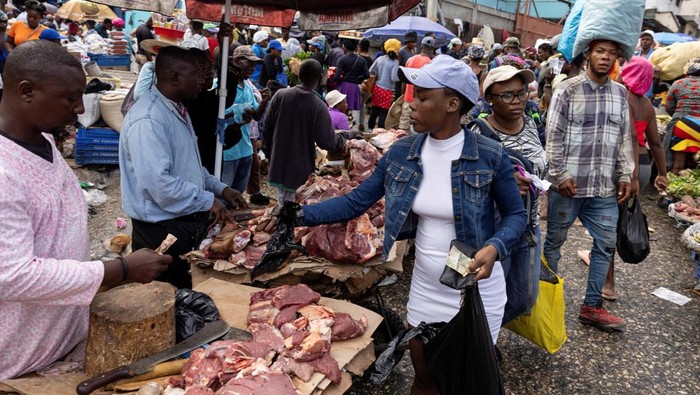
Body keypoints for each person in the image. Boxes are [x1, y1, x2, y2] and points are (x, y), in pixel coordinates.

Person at [257, 55, 526, 394]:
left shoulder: (490, 155)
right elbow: (355, 202)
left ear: (452, 104)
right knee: (425, 377)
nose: (410, 104)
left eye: (423, 97)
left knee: (464, 383)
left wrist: (494, 247)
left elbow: (518, 216)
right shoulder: (403, 153)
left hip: (476, 291)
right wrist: (296, 214)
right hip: (428, 286)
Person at [0, 40, 171, 379]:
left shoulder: (43, 139)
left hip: (63, 338)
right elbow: (11, 276)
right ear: (27, 91)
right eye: (70, 97)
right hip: (18, 361)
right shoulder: (4, 172)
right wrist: (117, 270)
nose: (80, 108)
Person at [120, 46, 248, 290]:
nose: (203, 81)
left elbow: (191, 167)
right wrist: (207, 200)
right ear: (175, 77)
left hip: (182, 223)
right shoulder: (148, 119)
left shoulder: (178, 109)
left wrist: (221, 189)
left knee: (190, 291)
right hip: (162, 229)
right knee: (169, 296)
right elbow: (158, 184)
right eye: (197, 75)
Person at [543, 39, 635, 331]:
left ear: (617, 59)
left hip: (603, 189)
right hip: (568, 187)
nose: (606, 58)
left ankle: (592, 307)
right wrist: (559, 174)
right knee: (554, 245)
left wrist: (625, 175)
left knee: (606, 244)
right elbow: (553, 135)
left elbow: (623, 139)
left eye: (612, 53)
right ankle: (543, 302)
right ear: (588, 55)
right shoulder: (567, 89)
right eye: (600, 52)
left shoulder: (620, 94)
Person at [577, 56, 669, 300]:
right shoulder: (647, 104)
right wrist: (662, 173)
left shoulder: (622, 97)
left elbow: (628, 139)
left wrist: (632, 176)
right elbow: (656, 142)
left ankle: (608, 284)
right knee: (613, 222)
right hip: (645, 164)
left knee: (609, 225)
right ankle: (599, 264)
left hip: (626, 169)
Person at [471, 65, 547, 325]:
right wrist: (502, 181)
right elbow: (462, 182)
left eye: (521, 93)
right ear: (490, 99)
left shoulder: (531, 124)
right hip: (492, 231)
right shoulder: (478, 133)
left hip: (528, 226)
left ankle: (482, 334)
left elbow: (540, 162)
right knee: (484, 295)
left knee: (523, 298)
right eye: (506, 95)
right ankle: (481, 344)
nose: (516, 101)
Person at [262, 59, 357, 202]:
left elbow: (267, 130)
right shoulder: (318, 105)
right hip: (299, 172)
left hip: (278, 166)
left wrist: (270, 156)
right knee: (295, 212)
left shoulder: (280, 95)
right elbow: (328, 142)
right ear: (320, 79)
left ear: (299, 75)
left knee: (282, 207)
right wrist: (349, 134)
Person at [222, 46, 271, 196]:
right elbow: (216, 114)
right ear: (236, 62)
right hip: (227, 151)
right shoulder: (222, 85)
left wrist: (264, 101)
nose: (252, 68)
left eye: (254, 64)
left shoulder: (248, 87)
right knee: (224, 194)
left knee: (238, 193)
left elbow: (256, 116)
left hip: (245, 149)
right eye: (249, 63)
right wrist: (238, 111)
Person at [666, 58, 700, 174]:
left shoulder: (678, 84)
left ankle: (672, 184)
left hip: (683, 126)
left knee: (677, 165)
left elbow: (669, 107)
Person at [398, 36, 435, 131]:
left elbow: (404, 81)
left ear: (421, 46)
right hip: (421, 102)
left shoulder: (411, 59)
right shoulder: (431, 64)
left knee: (402, 129)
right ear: (432, 49)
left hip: (407, 99)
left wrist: (403, 95)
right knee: (417, 129)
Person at [331, 39, 369, 130]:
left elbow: (336, 76)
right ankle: (353, 127)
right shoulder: (361, 60)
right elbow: (367, 75)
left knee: (343, 109)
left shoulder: (342, 60)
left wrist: (331, 79)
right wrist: (358, 79)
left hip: (344, 86)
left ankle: (343, 126)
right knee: (354, 111)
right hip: (355, 87)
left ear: (345, 47)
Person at [368, 38, 400, 130]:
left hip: (377, 88)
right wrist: (399, 76)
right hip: (388, 91)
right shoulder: (395, 63)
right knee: (383, 112)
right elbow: (394, 78)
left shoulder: (379, 59)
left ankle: (370, 129)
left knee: (374, 110)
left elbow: (371, 71)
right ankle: (379, 131)